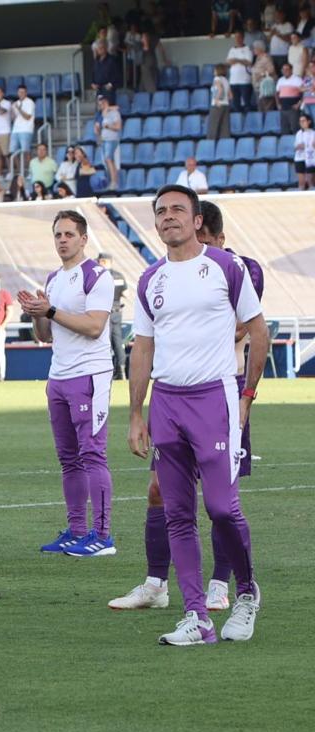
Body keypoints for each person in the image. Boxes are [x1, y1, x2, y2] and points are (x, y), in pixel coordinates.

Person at [111, 198, 265, 626]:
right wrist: (136, 414)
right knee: (177, 513)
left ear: (197, 220)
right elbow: (142, 348)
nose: (168, 217)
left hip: (215, 399)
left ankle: (247, 593)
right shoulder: (149, 280)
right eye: (160, 212)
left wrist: (247, 396)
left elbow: (258, 331)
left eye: (178, 210)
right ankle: (195, 616)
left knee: (220, 507)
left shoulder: (225, 267)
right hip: (167, 403)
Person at [18, 211, 116, 558]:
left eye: (69, 234)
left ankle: (103, 536)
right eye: (58, 234)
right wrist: (37, 313)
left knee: (92, 454)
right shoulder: (54, 278)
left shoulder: (97, 276)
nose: (62, 240)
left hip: (90, 374)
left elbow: (94, 327)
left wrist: (51, 310)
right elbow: (46, 335)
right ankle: (76, 530)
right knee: (69, 458)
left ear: (84, 238)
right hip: (58, 375)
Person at [98, 252, 128, 379]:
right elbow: (126, 295)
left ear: (103, 262)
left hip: (104, 313)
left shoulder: (100, 276)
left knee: (105, 343)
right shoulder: (119, 276)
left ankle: (107, 373)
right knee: (118, 342)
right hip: (117, 312)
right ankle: (121, 371)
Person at [209, 63, 232, 140]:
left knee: (213, 126)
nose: (214, 72)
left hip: (217, 105)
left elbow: (220, 89)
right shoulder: (226, 80)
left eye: (215, 70)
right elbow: (230, 95)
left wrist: (216, 99)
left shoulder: (217, 79)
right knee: (225, 128)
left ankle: (211, 144)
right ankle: (225, 144)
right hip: (226, 105)